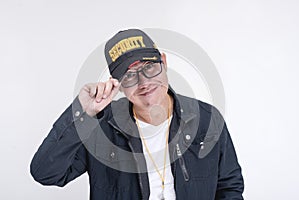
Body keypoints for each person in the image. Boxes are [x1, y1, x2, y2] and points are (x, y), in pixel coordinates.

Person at [30, 29, 244, 200]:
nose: (144, 83)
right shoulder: (99, 127)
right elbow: (46, 173)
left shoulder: (206, 119)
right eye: (129, 75)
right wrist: (82, 113)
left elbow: (229, 187)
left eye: (149, 67)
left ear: (164, 62)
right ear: (118, 85)